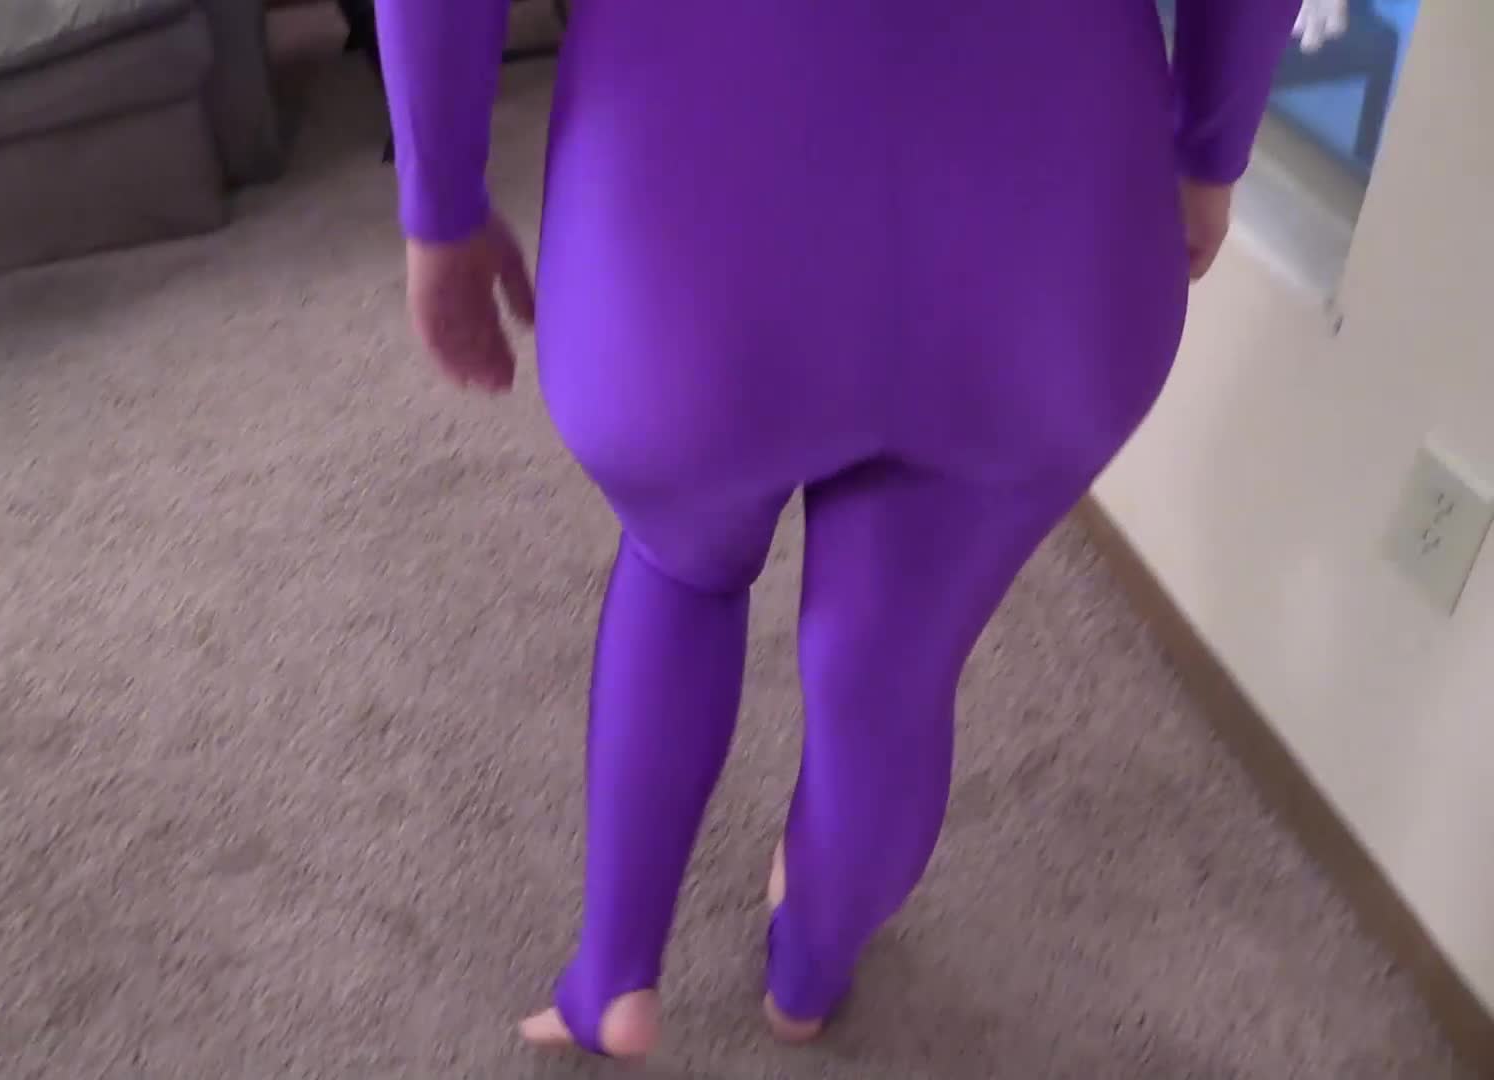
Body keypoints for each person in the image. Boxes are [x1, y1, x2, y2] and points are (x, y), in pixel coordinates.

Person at [373, 0, 1302, 1060]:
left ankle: (613, 977)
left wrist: (440, 204)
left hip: (693, 208)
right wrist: (1209, 150)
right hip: (1049, 223)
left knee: (680, 568)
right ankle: (809, 973)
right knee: (892, 669)